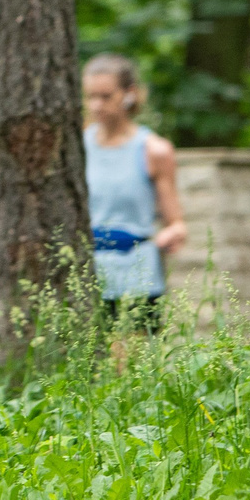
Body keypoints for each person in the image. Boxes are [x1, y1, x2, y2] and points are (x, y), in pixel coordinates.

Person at [82, 53, 186, 325]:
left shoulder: (154, 150)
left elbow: (176, 223)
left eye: (105, 96)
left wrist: (167, 236)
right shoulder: (76, 147)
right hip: (84, 275)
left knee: (127, 365)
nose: (96, 105)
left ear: (129, 94)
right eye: (90, 96)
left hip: (136, 275)